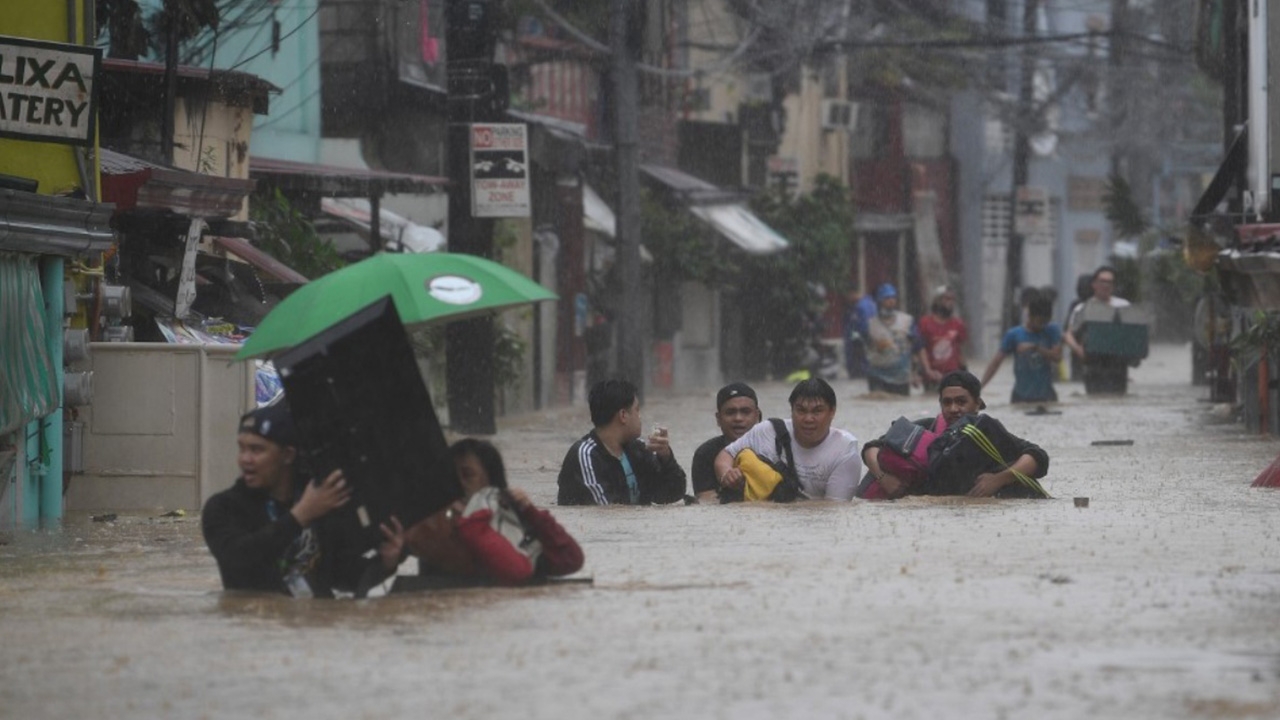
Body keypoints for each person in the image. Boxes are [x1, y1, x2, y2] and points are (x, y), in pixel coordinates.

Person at [201, 402, 405, 598]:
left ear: (288, 455)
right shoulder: (223, 507)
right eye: (242, 448)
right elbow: (238, 560)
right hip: (257, 626)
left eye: (256, 450)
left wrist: (385, 564)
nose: (245, 459)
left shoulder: (322, 503)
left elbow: (342, 576)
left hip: (313, 626)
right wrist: (300, 517)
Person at [406, 439, 583, 585]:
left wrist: (532, 514)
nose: (458, 484)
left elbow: (570, 560)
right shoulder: (433, 524)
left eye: (467, 475)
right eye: (452, 476)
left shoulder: (511, 518)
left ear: (490, 480)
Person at [858, 370, 1050, 499]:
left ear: (978, 404)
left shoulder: (987, 433)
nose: (953, 409)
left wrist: (998, 479)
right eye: (947, 402)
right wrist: (884, 478)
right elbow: (872, 448)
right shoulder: (925, 430)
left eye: (961, 402)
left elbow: (1037, 456)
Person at [712, 378, 861, 501]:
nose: (808, 419)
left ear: (832, 412)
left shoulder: (845, 450)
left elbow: (833, 509)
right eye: (801, 410)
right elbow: (726, 455)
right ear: (791, 410)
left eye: (817, 411)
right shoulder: (768, 431)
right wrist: (727, 474)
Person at [557, 378, 688, 505]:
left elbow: (673, 494)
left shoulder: (637, 449)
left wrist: (666, 457)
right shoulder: (585, 455)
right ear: (623, 415)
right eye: (637, 410)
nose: (640, 417)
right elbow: (604, 509)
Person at [980, 295, 1063, 404]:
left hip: (1047, 395)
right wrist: (979, 387)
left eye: (1046, 322)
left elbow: (1057, 357)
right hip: (1021, 396)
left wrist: (1035, 347)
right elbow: (996, 363)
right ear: (1030, 316)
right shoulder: (1014, 335)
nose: (1043, 325)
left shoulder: (1052, 330)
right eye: (1040, 321)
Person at [1064, 265, 1132, 394]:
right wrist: (1079, 351)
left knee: (1118, 400)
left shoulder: (1124, 306)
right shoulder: (1082, 308)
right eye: (1102, 281)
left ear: (1113, 286)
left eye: (1109, 282)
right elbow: (1069, 334)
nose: (1106, 285)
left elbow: (1133, 333)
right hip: (1093, 364)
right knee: (1095, 397)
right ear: (1094, 284)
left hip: (1118, 365)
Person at [690, 382, 762, 503]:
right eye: (730, 412)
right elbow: (706, 501)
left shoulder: (775, 447)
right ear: (718, 419)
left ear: (757, 416)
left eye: (745, 412)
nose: (738, 418)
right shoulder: (705, 453)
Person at [865, 282, 919, 395]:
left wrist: (915, 373)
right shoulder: (870, 324)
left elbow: (916, 348)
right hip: (877, 375)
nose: (891, 301)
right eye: (887, 298)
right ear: (879, 301)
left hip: (901, 377)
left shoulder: (907, 321)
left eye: (893, 298)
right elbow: (864, 347)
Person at [917, 287, 968, 390]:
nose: (950, 303)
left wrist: (965, 374)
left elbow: (960, 351)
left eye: (952, 300)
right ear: (937, 301)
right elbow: (920, 349)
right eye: (946, 299)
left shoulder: (958, 324)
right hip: (932, 377)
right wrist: (926, 371)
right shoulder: (925, 323)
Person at [842, 285, 877, 380]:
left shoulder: (859, 307)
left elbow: (861, 326)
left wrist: (856, 338)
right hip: (869, 341)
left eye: (848, 295)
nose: (848, 298)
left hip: (858, 343)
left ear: (853, 293)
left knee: (859, 373)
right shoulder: (872, 303)